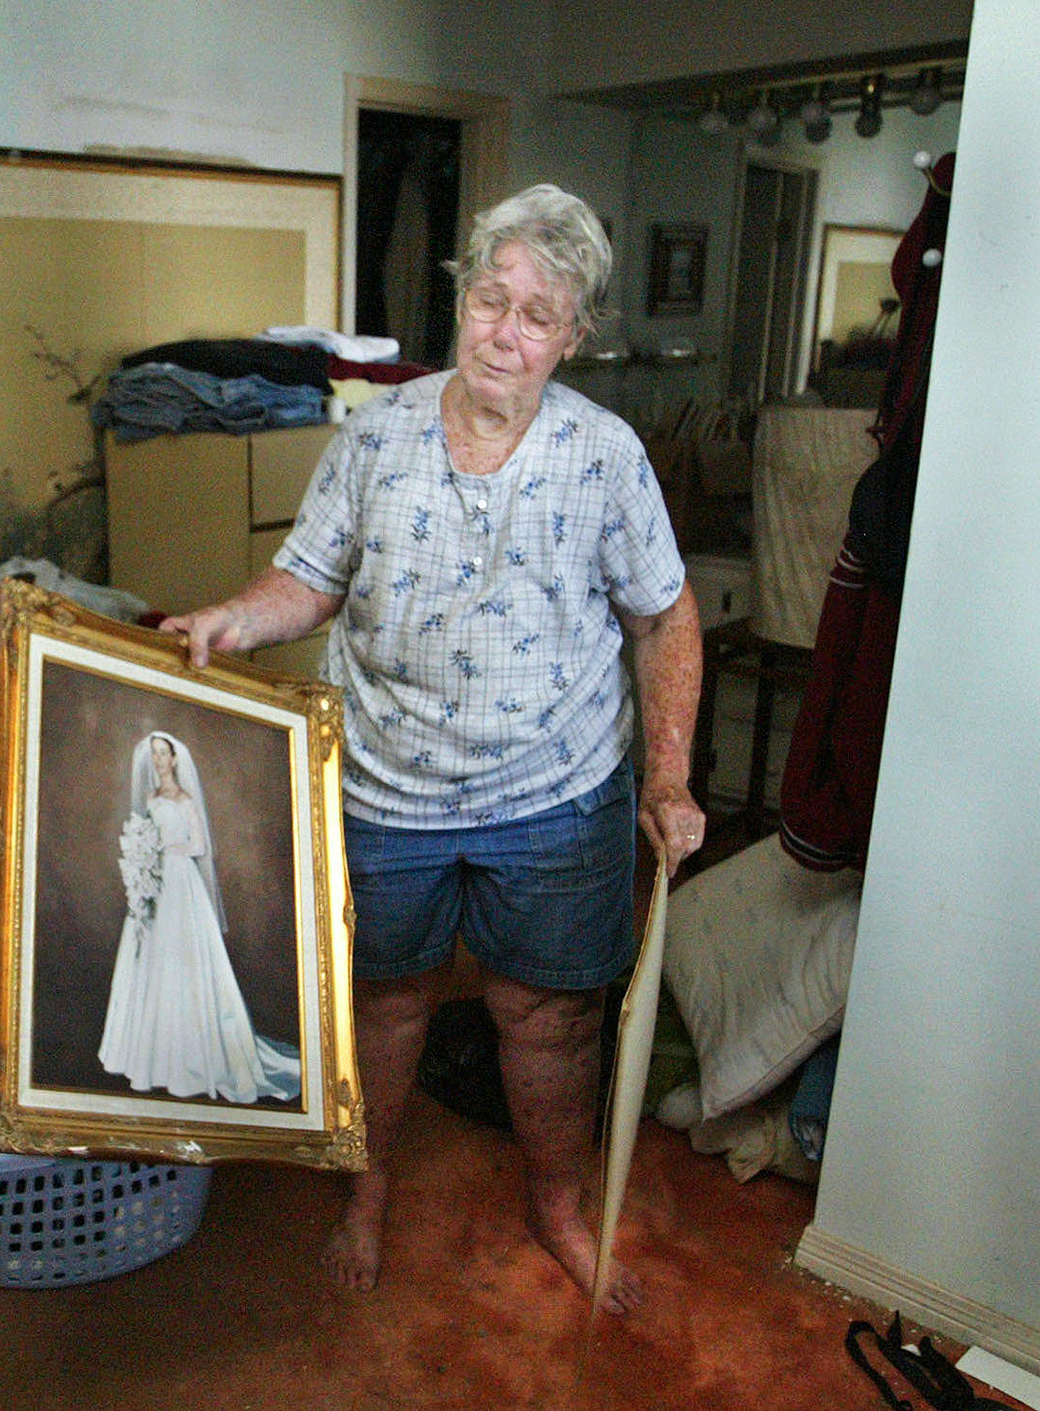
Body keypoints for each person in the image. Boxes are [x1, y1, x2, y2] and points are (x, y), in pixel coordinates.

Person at [163, 184, 705, 1312]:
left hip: (555, 790)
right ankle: (365, 1197)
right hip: (386, 784)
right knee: (382, 1005)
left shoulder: (604, 456)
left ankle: (557, 1207)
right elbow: (310, 577)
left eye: (537, 315)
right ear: (461, 299)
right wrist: (234, 618)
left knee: (548, 1018)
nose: (504, 333)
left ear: (574, 335)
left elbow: (663, 617)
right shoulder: (377, 434)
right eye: (489, 300)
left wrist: (667, 774)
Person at [98, 731, 302, 1104]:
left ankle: (191, 1059)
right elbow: (143, 834)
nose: (158, 760)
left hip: (181, 882)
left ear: (175, 759)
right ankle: (151, 1057)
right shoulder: (149, 798)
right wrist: (145, 856)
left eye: (164, 753)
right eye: (154, 754)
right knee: (151, 957)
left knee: (184, 960)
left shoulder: (185, 800)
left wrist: (166, 848)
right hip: (156, 883)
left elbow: (200, 845)